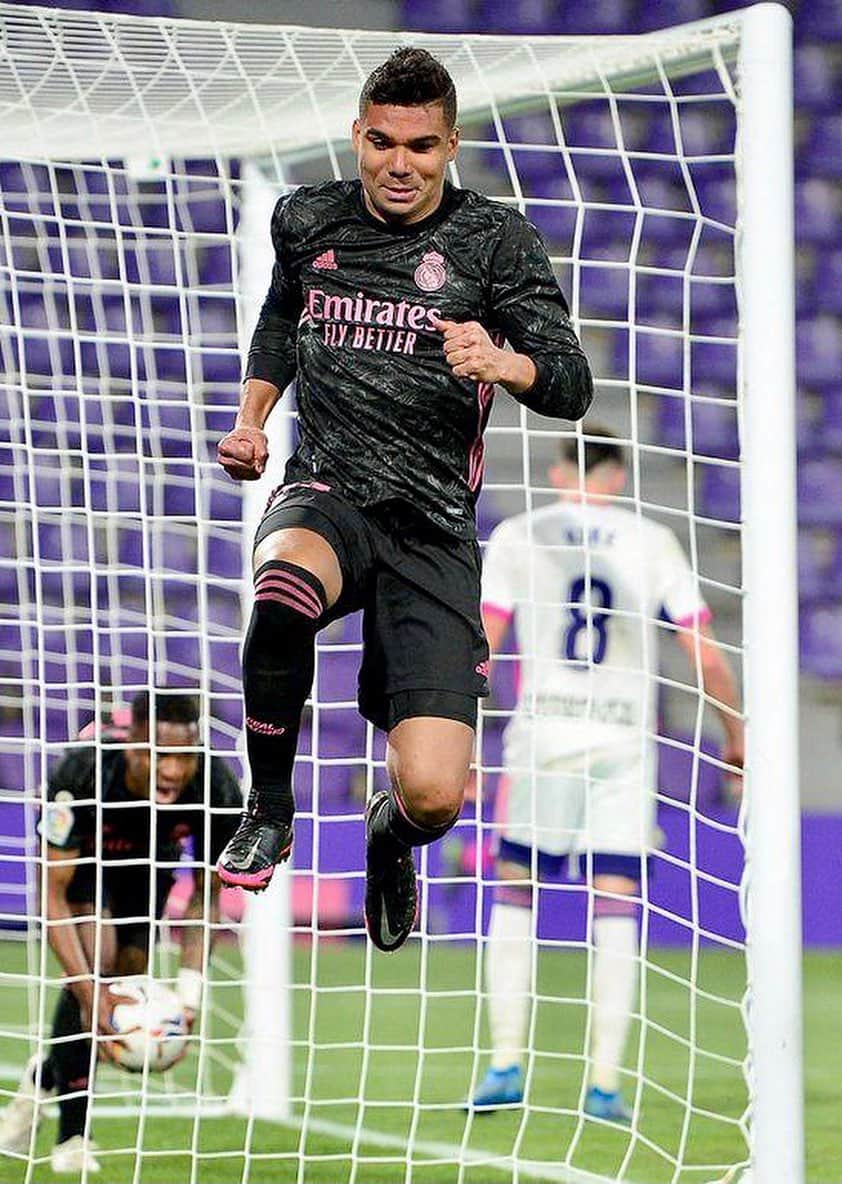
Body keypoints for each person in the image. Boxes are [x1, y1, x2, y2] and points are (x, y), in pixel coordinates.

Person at [213, 47, 592, 956]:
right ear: (357, 134)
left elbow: (572, 383)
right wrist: (253, 418)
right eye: (381, 141)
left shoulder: (494, 241)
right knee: (279, 590)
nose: (399, 163)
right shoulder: (306, 220)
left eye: (421, 147)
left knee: (433, 795)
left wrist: (508, 364)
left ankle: (391, 835)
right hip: (330, 490)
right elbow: (279, 323)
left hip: (431, 529)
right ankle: (269, 807)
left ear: (450, 146)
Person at [469, 425, 744, 1122]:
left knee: (514, 891)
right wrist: (735, 733)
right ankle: (604, 1084)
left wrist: (463, 739)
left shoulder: (517, 534)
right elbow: (701, 651)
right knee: (616, 902)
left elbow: (482, 643)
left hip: (542, 735)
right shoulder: (649, 541)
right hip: (623, 739)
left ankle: (504, 1065)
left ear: (561, 473)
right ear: (617, 477)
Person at [0, 692, 242, 1174]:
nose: (171, 770)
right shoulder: (81, 775)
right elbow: (52, 896)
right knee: (101, 968)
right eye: (156, 754)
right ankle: (73, 1137)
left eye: (182, 756)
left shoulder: (217, 788)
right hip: (87, 864)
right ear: (132, 743)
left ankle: (43, 1078)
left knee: (126, 983)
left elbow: (204, 899)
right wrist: (90, 991)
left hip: (148, 872)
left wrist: (189, 1000)